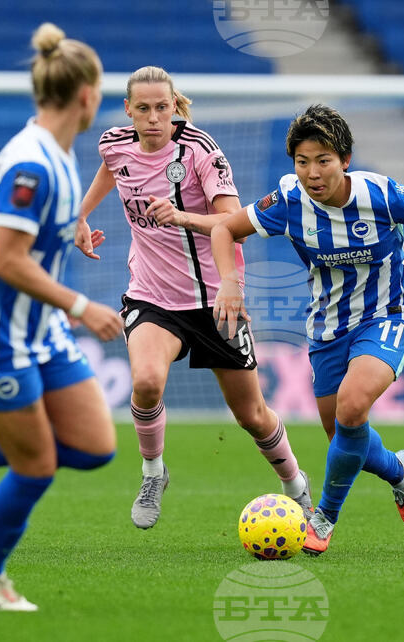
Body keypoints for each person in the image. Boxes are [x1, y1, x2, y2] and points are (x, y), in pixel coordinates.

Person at [210, 104, 404, 555]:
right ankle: (399, 474)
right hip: (326, 328)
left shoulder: (382, 194)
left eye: (323, 160)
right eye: (302, 161)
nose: (312, 172)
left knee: (351, 407)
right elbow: (224, 231)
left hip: (387, 316)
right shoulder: (288, 200)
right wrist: (230, 284)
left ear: (345, 160)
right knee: (347, 438)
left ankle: (322, 520)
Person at [0, 23, 124, 611]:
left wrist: (74, 232)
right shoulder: (32, 165)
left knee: (93, 447)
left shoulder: (60, 157)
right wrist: (81, 305)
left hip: (37, 331)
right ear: (87, 95)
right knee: (36, 466)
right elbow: (7, 260)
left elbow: (36, 241)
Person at [74, 66, 312, 529]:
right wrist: (82, 215)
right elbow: (110, 169)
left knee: (253, 416)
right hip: (152, 297)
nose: (153, 117)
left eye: (162, 107)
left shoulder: (201, 151)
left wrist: (182, 217)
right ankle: (152, 473)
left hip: (214, 300)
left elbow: (233, 224)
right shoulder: (114, 142)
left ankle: (295, 485)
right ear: (128, 110)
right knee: (144, 381)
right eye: (142, 108)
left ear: (174, 107)